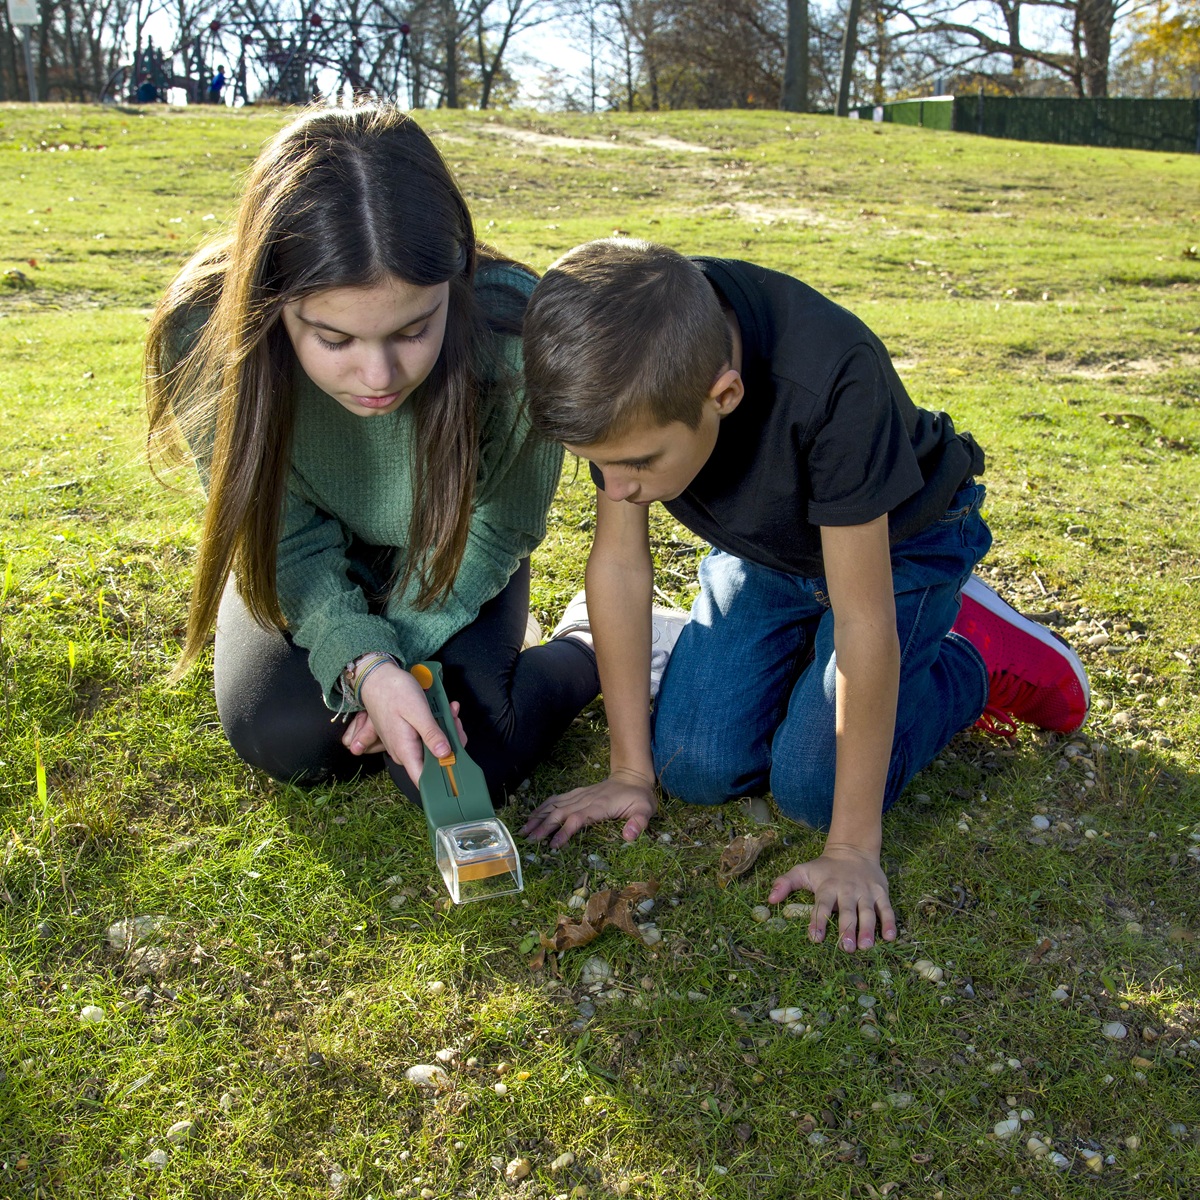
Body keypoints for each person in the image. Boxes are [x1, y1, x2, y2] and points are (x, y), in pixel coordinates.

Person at [519, 240, 1089, 952]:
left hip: (897, 548)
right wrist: (629, 770)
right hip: (768, 550)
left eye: (636, 463)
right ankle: (799, 658)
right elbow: (621, 565)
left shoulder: (832, 377)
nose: (618, 486)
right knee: (694, 766)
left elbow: (861, 617)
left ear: (722, 394)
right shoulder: (628, 358)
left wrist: (852, 847)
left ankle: (969, 658)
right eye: (597, 466)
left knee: (812, 787)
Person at [144, 105, 600, 804]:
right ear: (273, 304)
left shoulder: (515, 329)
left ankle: (585, 643)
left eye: (414, 328)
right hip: (304, 556)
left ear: (455, 277)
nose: (381, 377)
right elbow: (281, 538)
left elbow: (497, 526)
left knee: (475, 748)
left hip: (457, 550)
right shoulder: (205, 335)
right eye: (336, 341)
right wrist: (366, 666)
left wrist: (396, 656)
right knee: (285, 733)